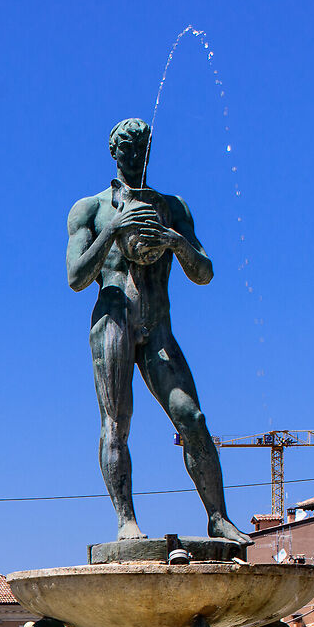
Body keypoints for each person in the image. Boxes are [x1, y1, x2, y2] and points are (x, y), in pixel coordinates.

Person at [66, 117, 248, 547]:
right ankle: (126, 520)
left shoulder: (173, 207)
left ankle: (218, 517)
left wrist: (173, 240)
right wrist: (115, 229)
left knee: (193, 418)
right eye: (127, 149)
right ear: (113, 152)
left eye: (143, 148)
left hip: (159, 327)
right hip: (113, 320)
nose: (135, 156)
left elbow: (204, 272)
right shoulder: (89, 209)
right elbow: (75, 276)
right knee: (116, 423)